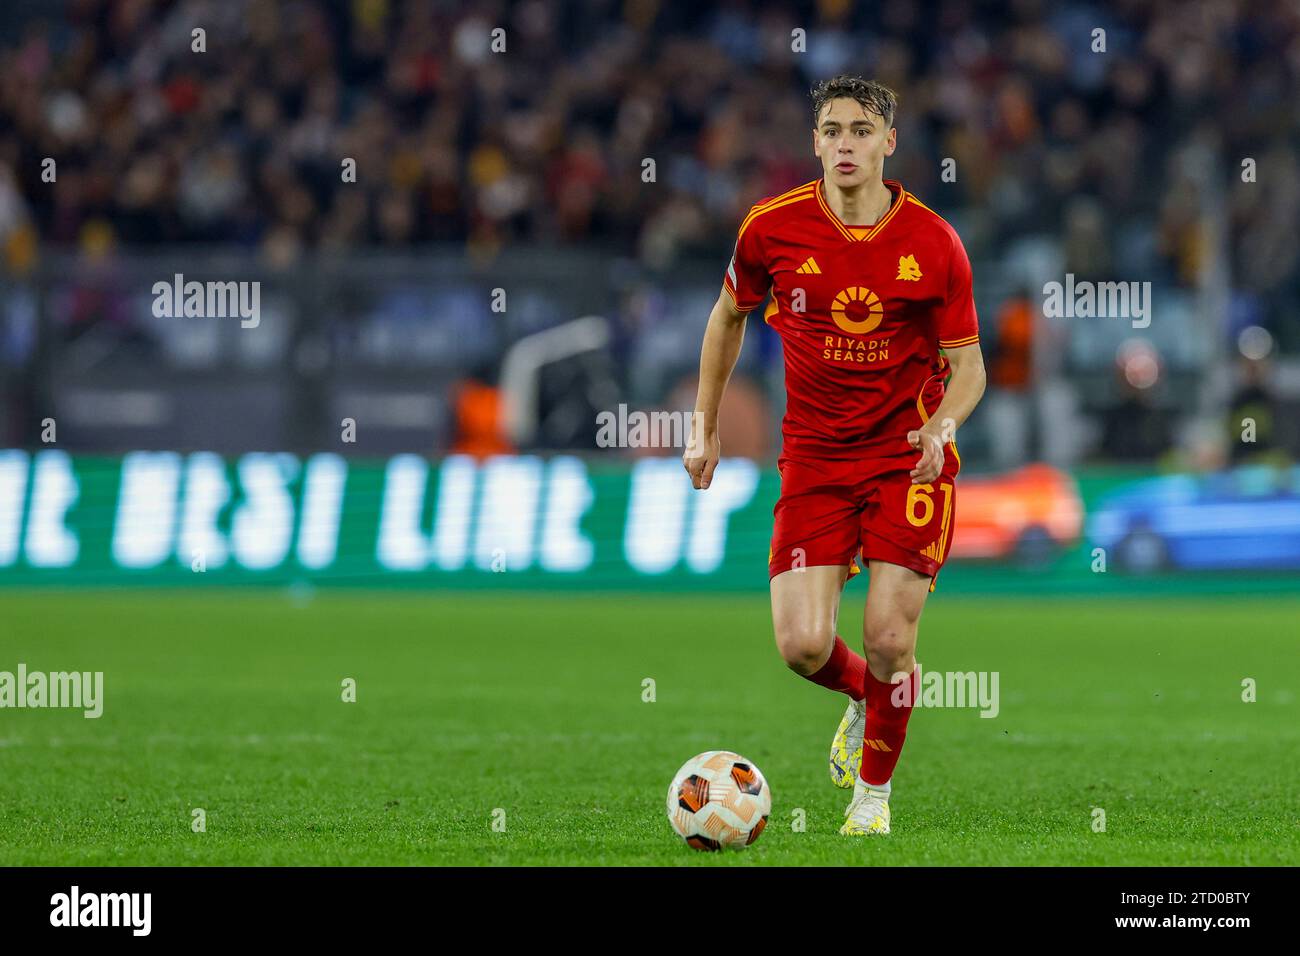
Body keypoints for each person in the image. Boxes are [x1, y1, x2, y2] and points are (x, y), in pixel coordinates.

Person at [683, 75, 987, 836]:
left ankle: (872, 800)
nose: (844, 143)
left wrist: (941, 427)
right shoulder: (771, 228)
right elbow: (727, 318)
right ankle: (867, 695)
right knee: (803, 644)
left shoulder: (934, 242)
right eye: (830, 130)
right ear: (814, 142)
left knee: (891, 636)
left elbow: (970, 364)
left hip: (904, 457)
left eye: (860, 130)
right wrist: (705, 425)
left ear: (889, 141)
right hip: (814, 458)